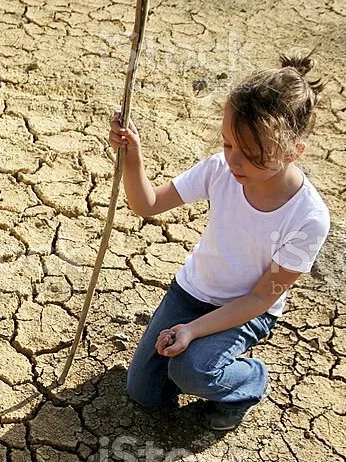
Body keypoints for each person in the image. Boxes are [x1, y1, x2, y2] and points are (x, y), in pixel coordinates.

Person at [109, 50, 331, 431]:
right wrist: (132, 155)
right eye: (228, 144)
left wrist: (192, 331)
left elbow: (261, 298)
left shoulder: (309, 217)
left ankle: (250, 382)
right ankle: (191, 363)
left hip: (247, 309)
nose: (234, 161)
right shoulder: (220, 169)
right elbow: (147, 204)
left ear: (294, 151)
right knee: (144, 393)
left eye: (253, 155)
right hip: (191, 291)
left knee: (191, 368)